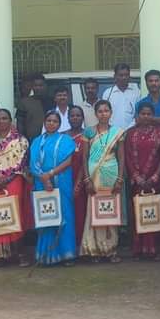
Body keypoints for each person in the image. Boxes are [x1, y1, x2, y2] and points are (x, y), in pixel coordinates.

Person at [0, 108, 31, 266]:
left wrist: (6, 179)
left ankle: (19, 254)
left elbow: (21, 163)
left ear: (11, 121)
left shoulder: (20, 140)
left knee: (14, 215)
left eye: (5, 118)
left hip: (14, 180)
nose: (1, 121)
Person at [30, 111, 78, 266]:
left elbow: (68, 161)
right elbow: (33, 164)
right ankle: (47, 255)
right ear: (44, 122)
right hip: (41, 183)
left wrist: (50, 174)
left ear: (59, 124)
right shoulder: (37, 141)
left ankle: (67, 255)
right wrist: (44, 179)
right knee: (46, 216)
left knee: (64, 216)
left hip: (61, 181)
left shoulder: (66, 140)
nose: (51, 123)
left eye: (55, 121)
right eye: (49, 120)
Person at [81, 100, 125, 262]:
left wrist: (120, 179)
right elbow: (84, 157)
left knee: (110, 211)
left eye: (106, 110)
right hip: (93, 176)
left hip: (111, 175)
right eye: (100, 111)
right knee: (93, 211)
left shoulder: (118, 132)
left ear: (111, 112)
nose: (103, 114)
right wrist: (86, 179)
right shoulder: (89, 132)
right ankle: (94, 250)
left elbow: (121, 157)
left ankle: (110, 250)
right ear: (95, 113)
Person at [125, 102, 160, 260]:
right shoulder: (130, 134)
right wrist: (136, 176)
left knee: (154, 212)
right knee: (137, 213)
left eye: (149, 114)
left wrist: (155, 176)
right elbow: (128, 157)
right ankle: (138, 249)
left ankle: (153, 249)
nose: (146, 116)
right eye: (143, 113)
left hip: (154, 180)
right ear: (137, 115)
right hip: (137, 181)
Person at [68, 105, 90, 247]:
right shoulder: (62, 136)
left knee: (81, 211)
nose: (75, 118)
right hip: (65, 178)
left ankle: (82, 245)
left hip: (83, 178)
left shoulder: (88, 135)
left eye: (78, 115)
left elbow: (86, 159)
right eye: (72, 115)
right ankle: (69, 245)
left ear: (83, 118)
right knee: (68, 213)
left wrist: (80, 181)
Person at [101, 63, 139, 130]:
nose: (124, 78)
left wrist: (129, 129)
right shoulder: (108, 93)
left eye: (126, 75)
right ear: (115, 76)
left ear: (129, 76)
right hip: (111, 132)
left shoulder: (136, 92)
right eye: (121, 75)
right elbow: (104, 114)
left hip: (132, 131)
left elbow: (138, 114)